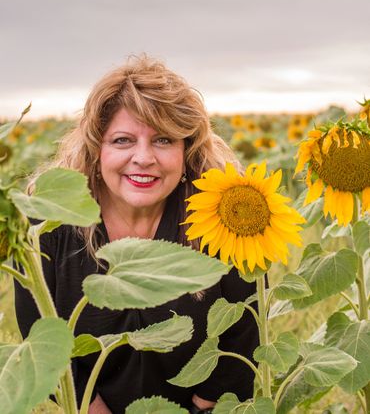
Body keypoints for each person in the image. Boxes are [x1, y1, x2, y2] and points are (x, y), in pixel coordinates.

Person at [14, 55, 259, 414]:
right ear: (97, 149)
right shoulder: (50, 225)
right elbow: (40, 340)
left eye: (163, 140)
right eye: (123, 140)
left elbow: (243, 330)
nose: (143, 158)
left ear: (185, 149)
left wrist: (201, 407)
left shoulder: (221, 217)